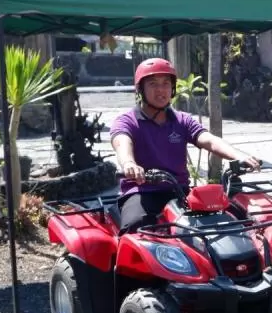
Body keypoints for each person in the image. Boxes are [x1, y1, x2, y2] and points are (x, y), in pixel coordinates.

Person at [110, 57, 262, 233]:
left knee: (233, 216)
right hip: (142, 192)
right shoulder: (127, 121)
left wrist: (239, 156)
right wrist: (129, 164)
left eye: (166, 83)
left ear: (172, 88)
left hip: (179, 191)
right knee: (136, 227)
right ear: (140, 89)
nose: (161, 90)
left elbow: (209, 140)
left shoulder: (182, 120)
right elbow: (122, 142)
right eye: (153, 84)